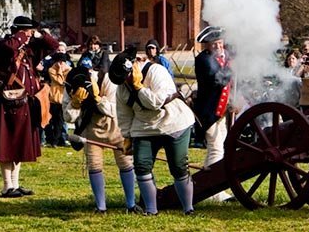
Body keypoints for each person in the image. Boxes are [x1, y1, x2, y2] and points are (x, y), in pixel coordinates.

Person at [117, 46, 196, 215]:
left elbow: (156, 102)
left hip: (174, 122)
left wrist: (139, 88)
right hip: (144, 127)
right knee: (141, 165)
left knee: (178, 167)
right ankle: (151, 210)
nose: (126, 82)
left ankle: (188, 209)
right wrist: (127, 137)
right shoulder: (121, 88)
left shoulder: (157, 71)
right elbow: (123, 115)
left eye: (127, 77)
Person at [0, 15, 54, 199]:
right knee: (7, 145)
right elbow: (9, 48)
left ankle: (16, 184)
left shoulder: (29, 49)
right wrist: (21, 36)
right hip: (10, 102)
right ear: (19, 31)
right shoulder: (4, 45)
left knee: (19, 145)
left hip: (27, 103)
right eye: (28, 31)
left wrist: (41, 36)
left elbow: (53, 46)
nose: (30, 34)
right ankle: (7, 185)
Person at [65, 55, 138, 214]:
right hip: (92, 131)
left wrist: (97, 98)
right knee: (94, 165)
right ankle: (101, 207)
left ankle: (131, 204)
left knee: (126, 163)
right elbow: (68, 117)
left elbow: (114, 109)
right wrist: (75, 103)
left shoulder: (108, 80)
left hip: (116, 128)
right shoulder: (71, 85)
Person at [192, 26, 232, 204]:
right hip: (208, 113)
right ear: (207, 45)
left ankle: (210, 185)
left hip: (219, 112)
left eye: (220, 42)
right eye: (215, 43)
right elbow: (217, 79)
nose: (219, 46)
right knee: (216, 149)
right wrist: (232, 68)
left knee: (217, 148)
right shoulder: (204, 60)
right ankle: (216, 191)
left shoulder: (218, 59)